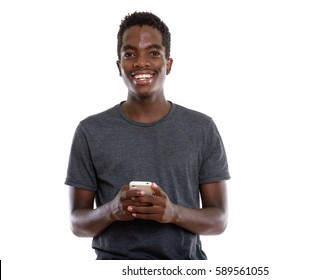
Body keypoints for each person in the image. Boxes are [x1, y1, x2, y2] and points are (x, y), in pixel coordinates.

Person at [65, 11, 230, 260]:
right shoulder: (90, 131)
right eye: (130, 54)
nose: (141, 62)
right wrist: (112, 210)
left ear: (169, 64)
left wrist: (172, 212)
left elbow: (219, 220)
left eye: (153, 53)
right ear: (119, 66)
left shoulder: (202, 128)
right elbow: (77, 223)